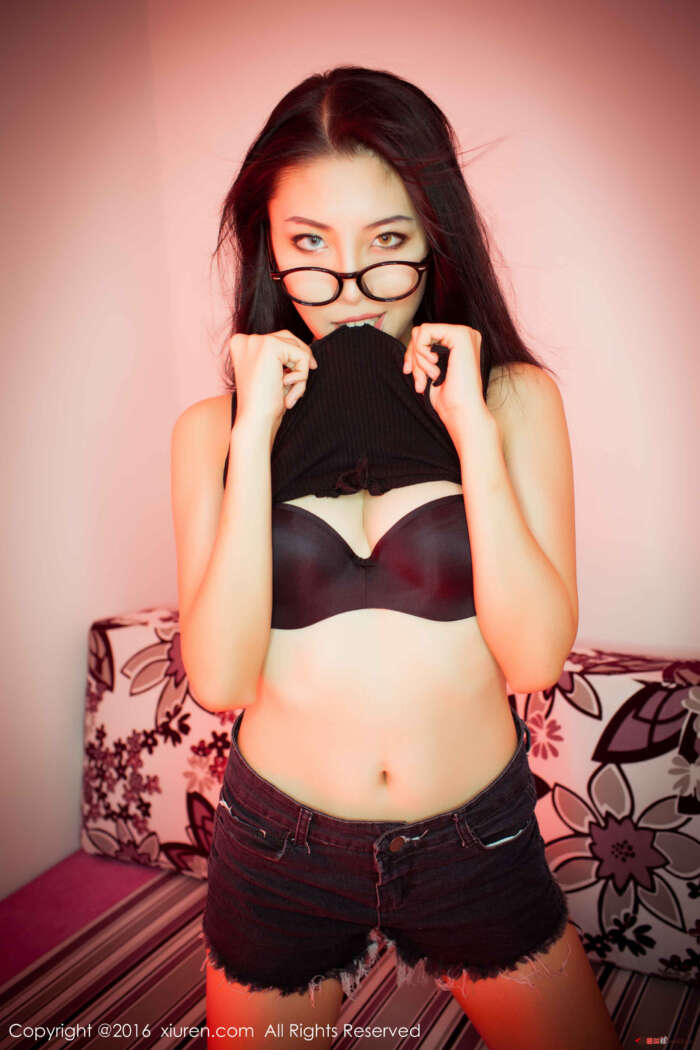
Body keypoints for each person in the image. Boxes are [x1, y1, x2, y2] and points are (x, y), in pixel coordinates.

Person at [171, 66, 623, 1050]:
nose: (350, 291)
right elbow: (219, 679)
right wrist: (256, 436)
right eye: (309, 246)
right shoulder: (213, 430)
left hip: (475, 840)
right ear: (268, 248)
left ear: (433, 236)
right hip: (276, 845)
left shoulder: (512, 400)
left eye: (386, 243)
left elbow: (535, 658)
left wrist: (468, 431)